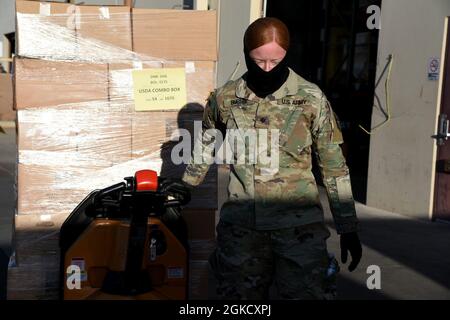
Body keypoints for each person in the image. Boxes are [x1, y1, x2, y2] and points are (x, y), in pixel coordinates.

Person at [161, 17, 362, 300]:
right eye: (259, 62)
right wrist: (187, 183)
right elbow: (207, 141)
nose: (267, 69)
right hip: (243, 231)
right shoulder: (226, 98)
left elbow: (333, 166)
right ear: (246, 55)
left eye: (275, 61)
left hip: (298, 230)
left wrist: (347, 226)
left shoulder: (311, 99)